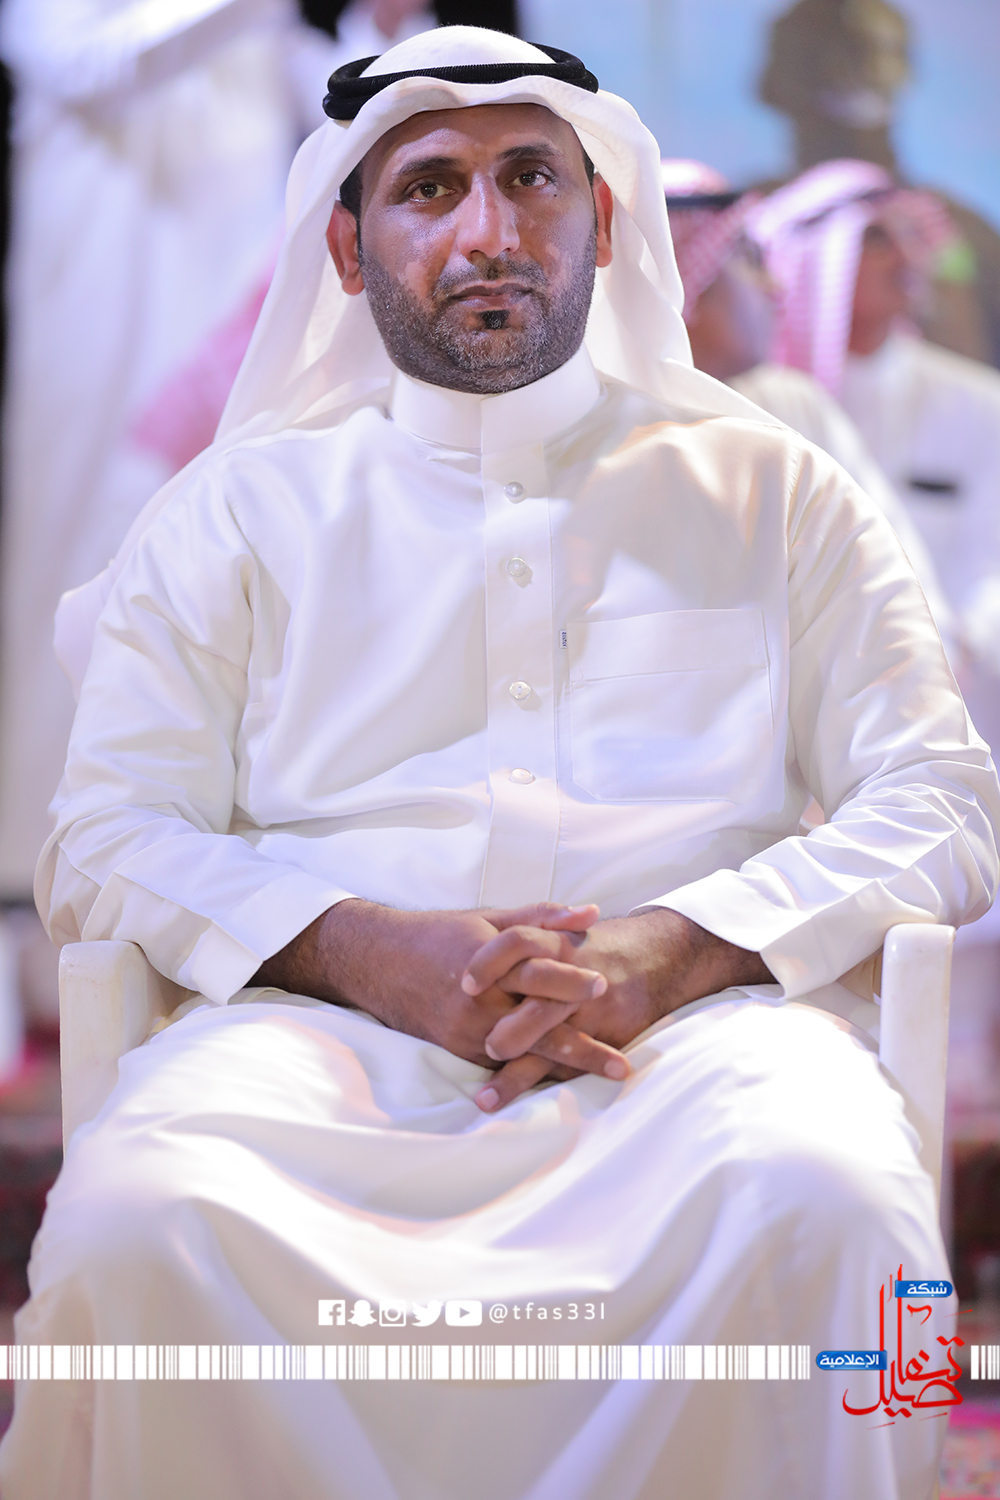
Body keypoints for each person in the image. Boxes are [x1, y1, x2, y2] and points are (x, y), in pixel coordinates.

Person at [3, 26, 998, 1500]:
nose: (488, 231)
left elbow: (941, 799)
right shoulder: (235, 514)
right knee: (139, 1223)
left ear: (602, 222)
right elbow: (103, 833)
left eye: (532, 177)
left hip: (701, 1040)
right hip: (311, 1043)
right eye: (429, 187)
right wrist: (362, 950)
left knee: (830, 1201)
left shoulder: (777, 490)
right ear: (348, 251)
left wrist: (679, 947)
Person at [750, 159, 1000, 746]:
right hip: (803, 696)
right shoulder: (768, 406)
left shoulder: (979, 404)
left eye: (913, 235)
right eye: (878, 240)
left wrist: (950, 646)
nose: (908, 257)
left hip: (958, 693)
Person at [661, 155, 954, 652]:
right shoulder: (599, 436)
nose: (776, 288)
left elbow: (899, 602)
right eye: (747, 260)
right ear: (686, 283)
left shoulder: (787, 407)